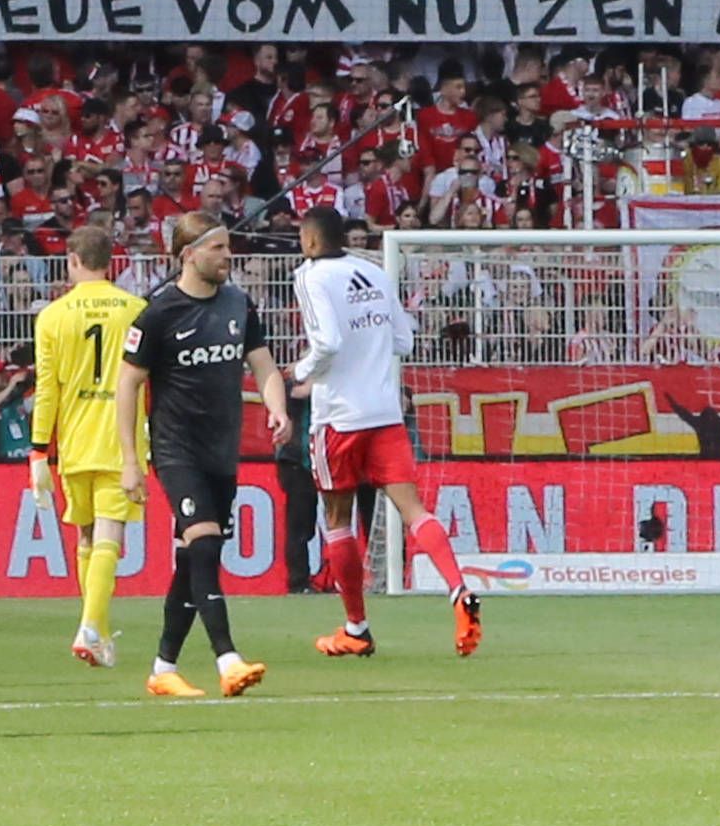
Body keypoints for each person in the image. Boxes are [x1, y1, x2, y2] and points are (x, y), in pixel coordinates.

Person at [290, 206, 481, 659]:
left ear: (313, 241)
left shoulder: (311, 276)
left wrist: (300, 372)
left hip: (338, 417)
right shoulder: (371, 271)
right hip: (385, 411)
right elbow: (405, 340)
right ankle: (457, 589)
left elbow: (329, 343)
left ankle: (356, 628)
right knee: (414, 509)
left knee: (337, 520)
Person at [120, 210, 285, 700]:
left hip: (221, 452)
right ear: (188, 255)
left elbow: (264, 366)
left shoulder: (238, 303)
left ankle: (163, 667)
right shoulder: (158, 313)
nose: (227, 256)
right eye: (218, 248)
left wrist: (277, 408)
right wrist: (131, 459)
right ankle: (227, 658)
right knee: (206, 546)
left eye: (228, 247)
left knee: (194, 560)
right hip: (176, 450)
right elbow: (127, 383)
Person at [28, 225, 148, 669]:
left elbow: (47, 390)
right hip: (122, 439)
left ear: (73, 261)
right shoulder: (136, 310)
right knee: (109, 534)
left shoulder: (53, 316)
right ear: (111, 261)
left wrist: (39, 449)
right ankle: (91, 628)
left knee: (84, 534)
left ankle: (92, 629)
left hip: (75, 440)